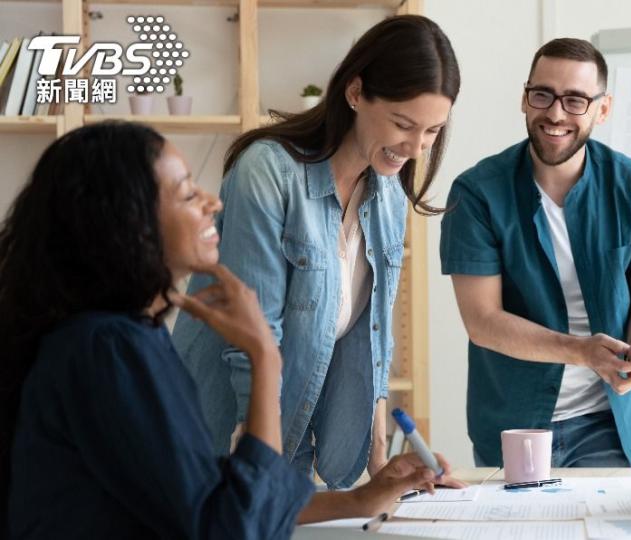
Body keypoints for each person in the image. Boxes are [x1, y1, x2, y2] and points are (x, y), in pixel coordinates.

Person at [0, 122, 459, 538]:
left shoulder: (126, 338)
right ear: (128, 224)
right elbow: (230, 526)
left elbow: (213, 494)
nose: (212, 203)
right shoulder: (107, 350)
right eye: (186, 194)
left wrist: (362, 499)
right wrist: (263, 356)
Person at [171, 15, 460, 487]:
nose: (415, 147)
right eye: (403, 124)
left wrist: (381, 461)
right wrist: (258, 466)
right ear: (355, 93)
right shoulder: (268, 173)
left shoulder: (387, 194)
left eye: (432, 131)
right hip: (220, 435)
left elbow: (376, 336)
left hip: (292, 435)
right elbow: (254, 336)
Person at [439, 38, 631, 469]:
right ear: (525, 98)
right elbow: (483, 322)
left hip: (610, 421)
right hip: (513, 424)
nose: (555, 113)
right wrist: (583, 351)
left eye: (575, 100)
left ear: (602, 110)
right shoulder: (477, 193)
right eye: (543, 95)